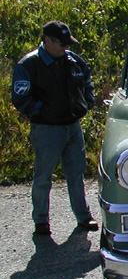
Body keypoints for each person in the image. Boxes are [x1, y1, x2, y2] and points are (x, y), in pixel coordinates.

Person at [11, 21, 98, 235]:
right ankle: (41, 221)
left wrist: (87, 103)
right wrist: (43, 112)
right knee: (43, 176)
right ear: (47, 41)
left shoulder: (74, 61)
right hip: (46, 129)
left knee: (76, 174)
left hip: (72, 126)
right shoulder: (29, 65)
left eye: (68, 43)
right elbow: (20, 98)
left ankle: (83, 217)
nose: (65, 48)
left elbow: (87, 83)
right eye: (61, 43)